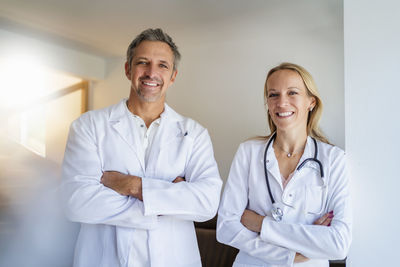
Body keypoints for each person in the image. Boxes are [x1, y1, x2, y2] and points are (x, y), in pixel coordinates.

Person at [61, 28, 222, 267]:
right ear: (128, 69)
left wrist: (132, 186)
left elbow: (207, 203)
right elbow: (77, 202)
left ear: (173, 75)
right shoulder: (89, 126)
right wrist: (169, 199)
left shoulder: (194, 134)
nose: (151, 73)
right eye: (143, 62)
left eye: (162, 65)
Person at [217, 63, 352, 267]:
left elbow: (338, 244)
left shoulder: (334, 159)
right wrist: (292, 253)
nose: (282, 102)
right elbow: (226, 228)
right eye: (273, 95)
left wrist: (261, 225)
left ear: (311, 102)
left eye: (292, 93)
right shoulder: (249, 152)